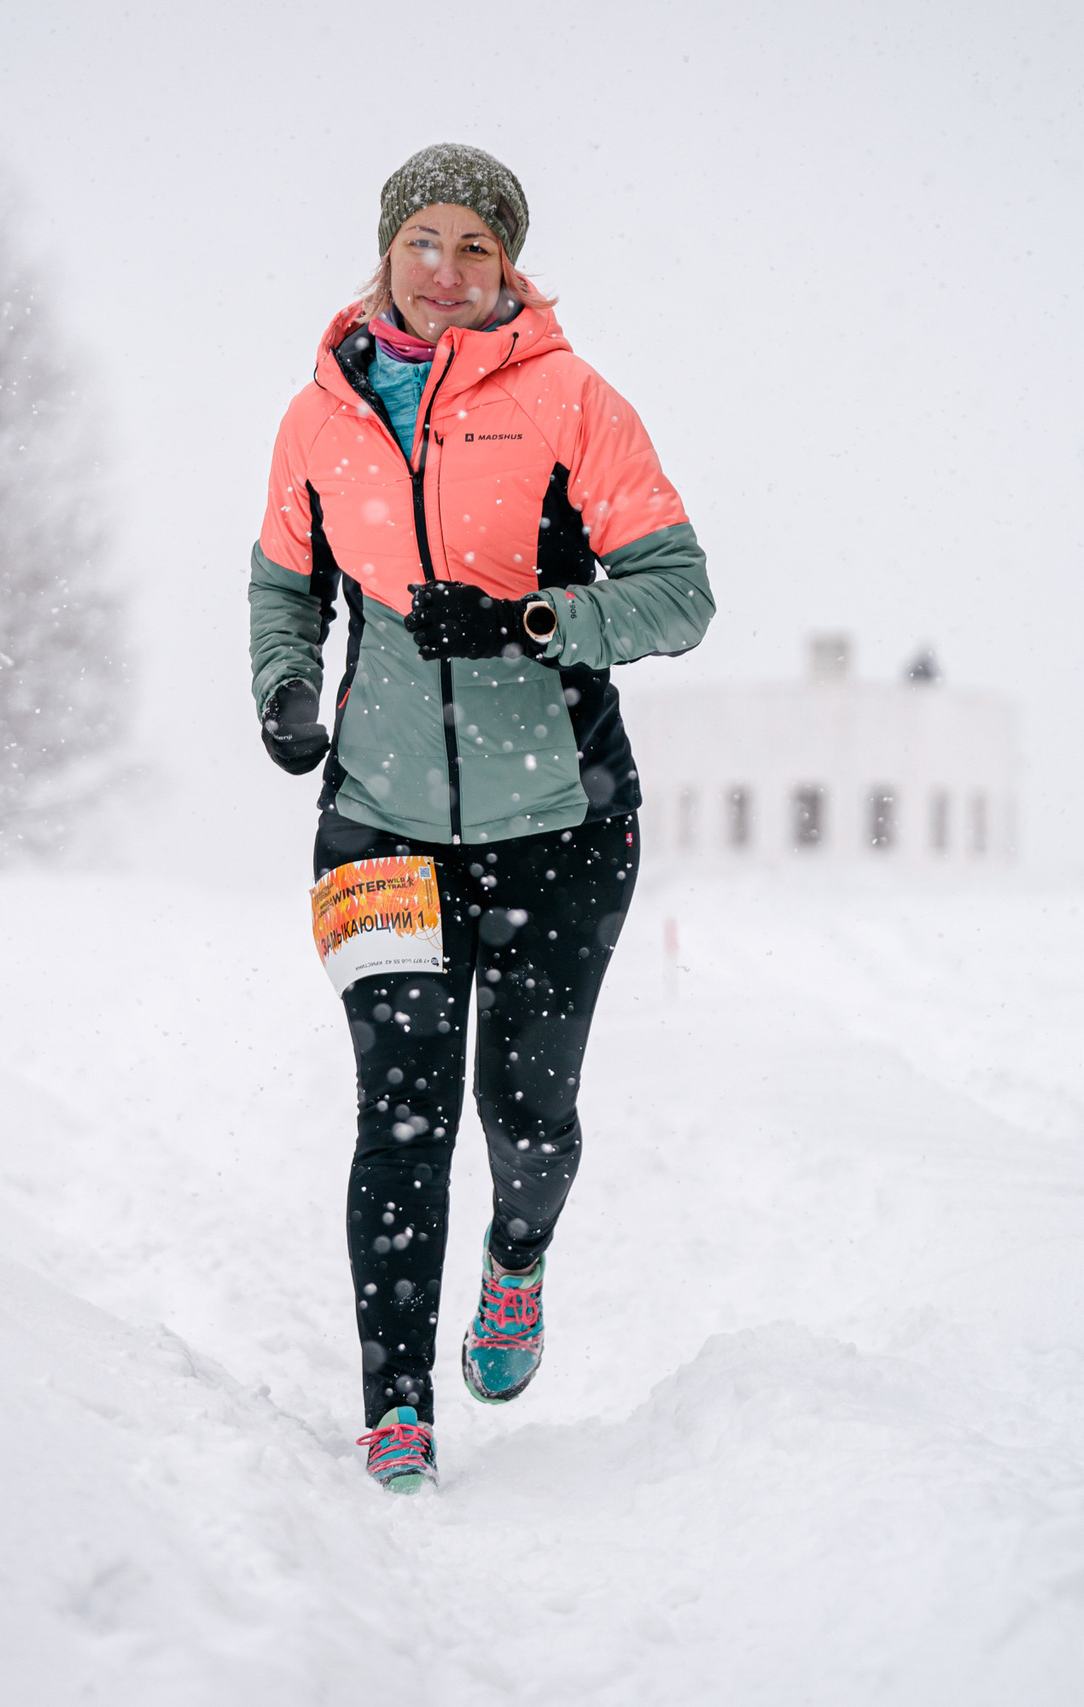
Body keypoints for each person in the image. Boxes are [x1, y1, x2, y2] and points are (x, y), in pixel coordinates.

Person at [247, 143, 714, 1493]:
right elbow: (284, 586)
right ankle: (396, 1406)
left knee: (527, 1112)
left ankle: (517, 1259)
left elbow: (679, 594)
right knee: (400, 1114)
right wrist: (285, 686)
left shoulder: (573, 403)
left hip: (561, 822)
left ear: (510, 266)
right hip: (380, 821)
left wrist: (535, 621)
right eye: (423, 243)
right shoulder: (320, 417)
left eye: (475, 249)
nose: (445, 272)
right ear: (386, 251)